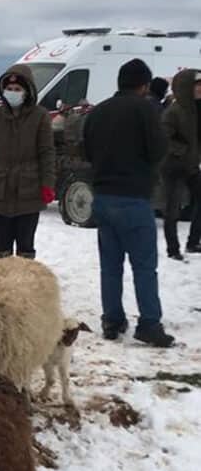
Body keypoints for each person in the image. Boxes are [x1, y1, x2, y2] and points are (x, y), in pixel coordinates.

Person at [83, 58, 174, 347]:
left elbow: (86, 149)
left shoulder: (98, 111)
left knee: (110, 265)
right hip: (133, 197)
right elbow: (159, 148)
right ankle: (149, 323)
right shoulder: (145, 109)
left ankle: (112, 320)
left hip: (103, 196)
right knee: (144, 266)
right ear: (145, 85)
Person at [0, 65, 55, 259]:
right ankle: (2, 287)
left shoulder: (40, 117)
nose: (13, 93)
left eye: (17, 90)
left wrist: (47, 184)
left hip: (29, 193)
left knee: (26, 248)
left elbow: (47, 153)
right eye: (9, 89)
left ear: (27, 91)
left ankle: (25, 287)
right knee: (2, 249)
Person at [161, 68, 201, 259]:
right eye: (197, 85)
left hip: (192, 166)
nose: (200, 89)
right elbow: (164, 138)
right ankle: (173, 249)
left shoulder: (197, 109)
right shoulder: (173, 111)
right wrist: (182, 150)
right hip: (173, 167)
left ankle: (193, 242)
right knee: (173, 210)